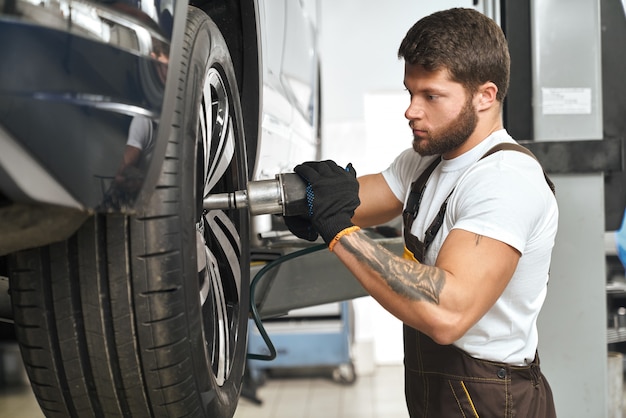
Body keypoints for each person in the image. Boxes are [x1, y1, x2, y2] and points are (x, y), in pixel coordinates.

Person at [285, 8, 558, 417]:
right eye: (410, 92)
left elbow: (447, 313)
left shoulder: (505, 181)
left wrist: (340, 232)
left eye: (430, 95)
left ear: (485, 96)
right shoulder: (426, 161)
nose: (411, 110)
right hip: (439, 390)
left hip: (492, 401)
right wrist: (298, 194)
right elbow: (357, 200)